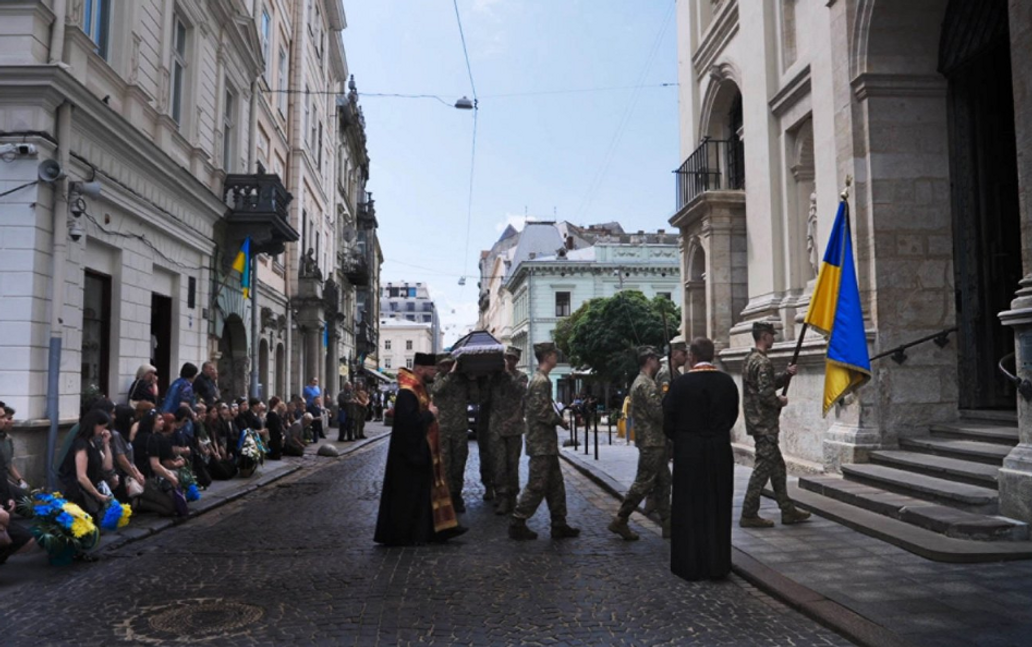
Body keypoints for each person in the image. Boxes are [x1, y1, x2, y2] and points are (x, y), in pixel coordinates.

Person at [663, 337, 740, 581]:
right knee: (717, 506)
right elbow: (732, 416)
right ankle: (717, 564)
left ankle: (690, 564)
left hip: (689, 451)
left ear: (692, 357)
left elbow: (668, 422)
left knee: (689, 506)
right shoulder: (727, 383)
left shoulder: (681, 384)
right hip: (718, 449)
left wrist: (683, 437)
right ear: (713, 355)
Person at [374, 352, 467, 546]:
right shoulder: (408, 392)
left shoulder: (418, 389)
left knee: (425, 494)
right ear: (420, 369)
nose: (434, 374)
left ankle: (437, 530)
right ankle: (412, 534)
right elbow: (409, 425)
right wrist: (430, 414)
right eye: (432, 370)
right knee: (411, 497)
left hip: (420, 451)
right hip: (409, 455)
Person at [740, 321, 811, 528]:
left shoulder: (749, 359)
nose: (774, 338)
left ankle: (787, 510)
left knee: (777, 467)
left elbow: (764, 384)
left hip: (757, 422)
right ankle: (748, 512)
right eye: (771, 335)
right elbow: (765, 394)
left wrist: (786, 375)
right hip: (764, 424)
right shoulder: (763, 362)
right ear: (763, 336)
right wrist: (779, 400)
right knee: (762, 469)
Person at [509, 342, 579, 541]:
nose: (556, 357)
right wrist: (560, 421)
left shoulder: (541, 379)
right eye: (554, 354)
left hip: (546, 443)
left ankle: (559, 523)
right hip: (540, 444)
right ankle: (517, 521)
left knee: (556, 485)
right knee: (537, 485)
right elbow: (541, 412)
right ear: (548, 356)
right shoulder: (541, 381)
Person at [609, 346, 672, 541]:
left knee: (664, 482)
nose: (659, 363)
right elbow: (658, 413)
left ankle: (669, 525)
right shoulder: (645, 384)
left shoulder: (645, 382)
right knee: (643, 483)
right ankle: (620, 519)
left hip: (655, 441)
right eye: (657, 359)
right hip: (651, 441)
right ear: (649, 360)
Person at [489, 346, 528, 516]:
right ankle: (502, 496)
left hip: (514, 427)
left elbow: (520, 391)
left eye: (512, 359)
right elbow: (484, 394)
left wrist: (508, 374)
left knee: (512, 464)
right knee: (499, 464)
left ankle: (512, 496)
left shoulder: (521, 376)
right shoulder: (495, 377)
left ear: (517, 361)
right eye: (507, 358)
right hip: (497, 427)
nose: (509, 361)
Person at [430, 354, 470, 512]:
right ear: (439, 366)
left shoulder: (461, 380)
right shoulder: (437, 379)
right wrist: (451, 374)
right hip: (443, 430)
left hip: (460, 429)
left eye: (450, 364)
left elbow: (474, 396)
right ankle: (446, 496)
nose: (447, 367)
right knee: (445, 465)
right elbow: (437, 390)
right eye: (444, 365)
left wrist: (471, 380)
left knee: (459, 464)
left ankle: (456, 495)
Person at [58, 409, 115, 516]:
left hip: (90, 492)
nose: (104, 430)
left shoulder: (93, 442)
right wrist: (98, 495)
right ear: (94, 425)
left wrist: (106, 444)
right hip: (79, 495)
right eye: (102, 427)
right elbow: (82, 477)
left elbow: (107, 466)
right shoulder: (81, 445)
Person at [0, 405, 29, 502]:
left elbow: (8, 464)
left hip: (4, 481)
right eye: (8, 418)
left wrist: (20, 480)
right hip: (3, 483)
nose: (11, 421)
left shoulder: (7, 439)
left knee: (29, 498)